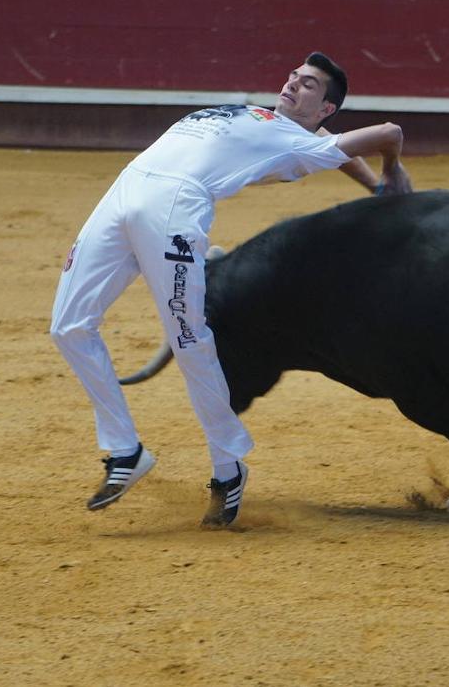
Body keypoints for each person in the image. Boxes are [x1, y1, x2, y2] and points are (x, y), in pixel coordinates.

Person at [49, 52, 412, 527]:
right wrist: (373, 184)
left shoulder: (293, 145)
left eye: (307, 86)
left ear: (326, 108)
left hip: (176, 206)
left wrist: (391, 170)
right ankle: (126, 451)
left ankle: (228, 468)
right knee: (68, 326)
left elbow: (390, 132)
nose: (292, 84)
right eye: (293, 76)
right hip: (125, 188)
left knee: (189, 339)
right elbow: (328, 140)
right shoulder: (273, 123)